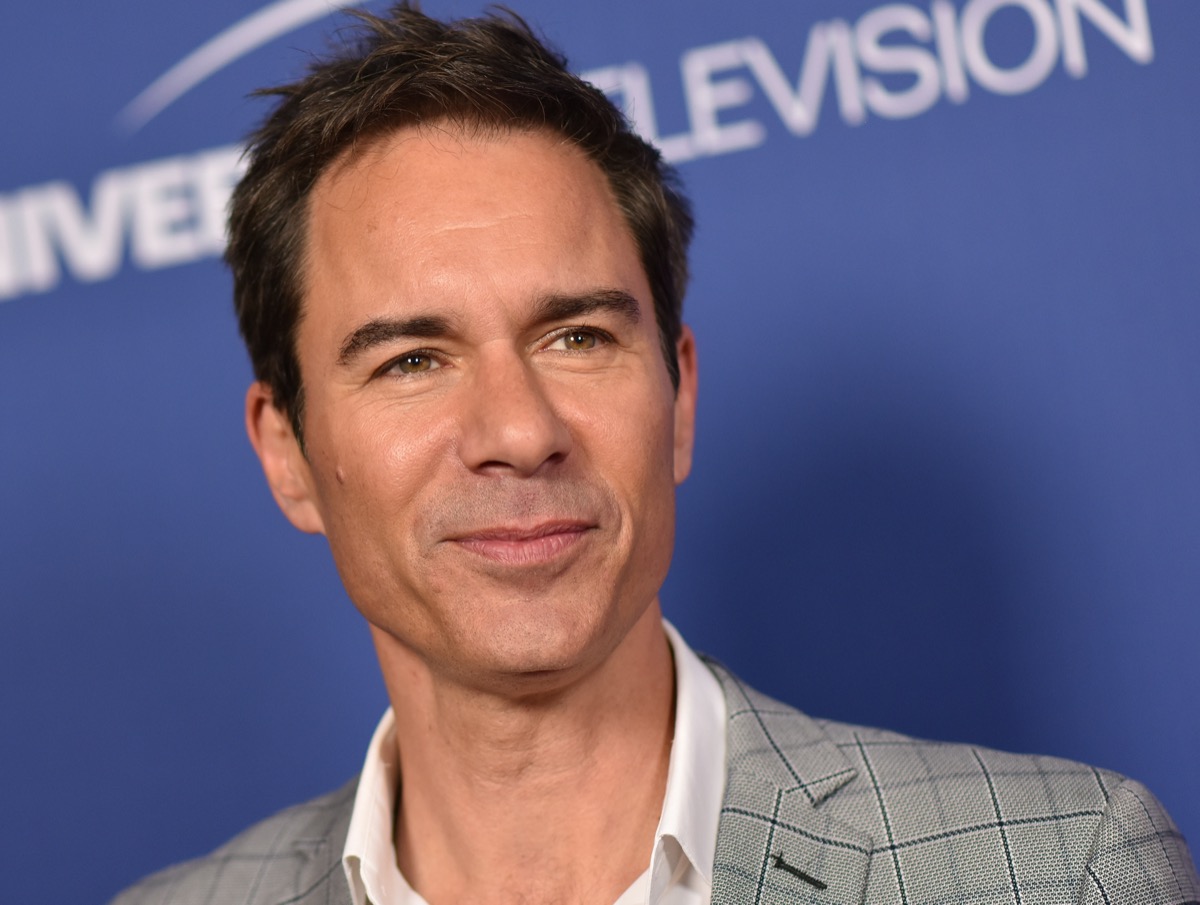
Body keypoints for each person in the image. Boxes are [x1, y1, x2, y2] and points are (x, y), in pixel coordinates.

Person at [112, 4, 1198, 903]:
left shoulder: (1056, 872)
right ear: (288, 451)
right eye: (412, 360)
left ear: (678, 399)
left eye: (578, 338)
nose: (519, 431)